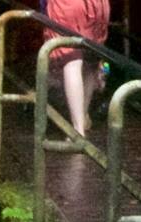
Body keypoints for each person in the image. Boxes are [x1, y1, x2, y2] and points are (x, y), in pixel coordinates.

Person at [42, 0, 109, 139]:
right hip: (99, 5)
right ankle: (83, 117)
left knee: (72, 61)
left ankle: (77, 131)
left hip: (68, 5)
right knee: (91, 61)